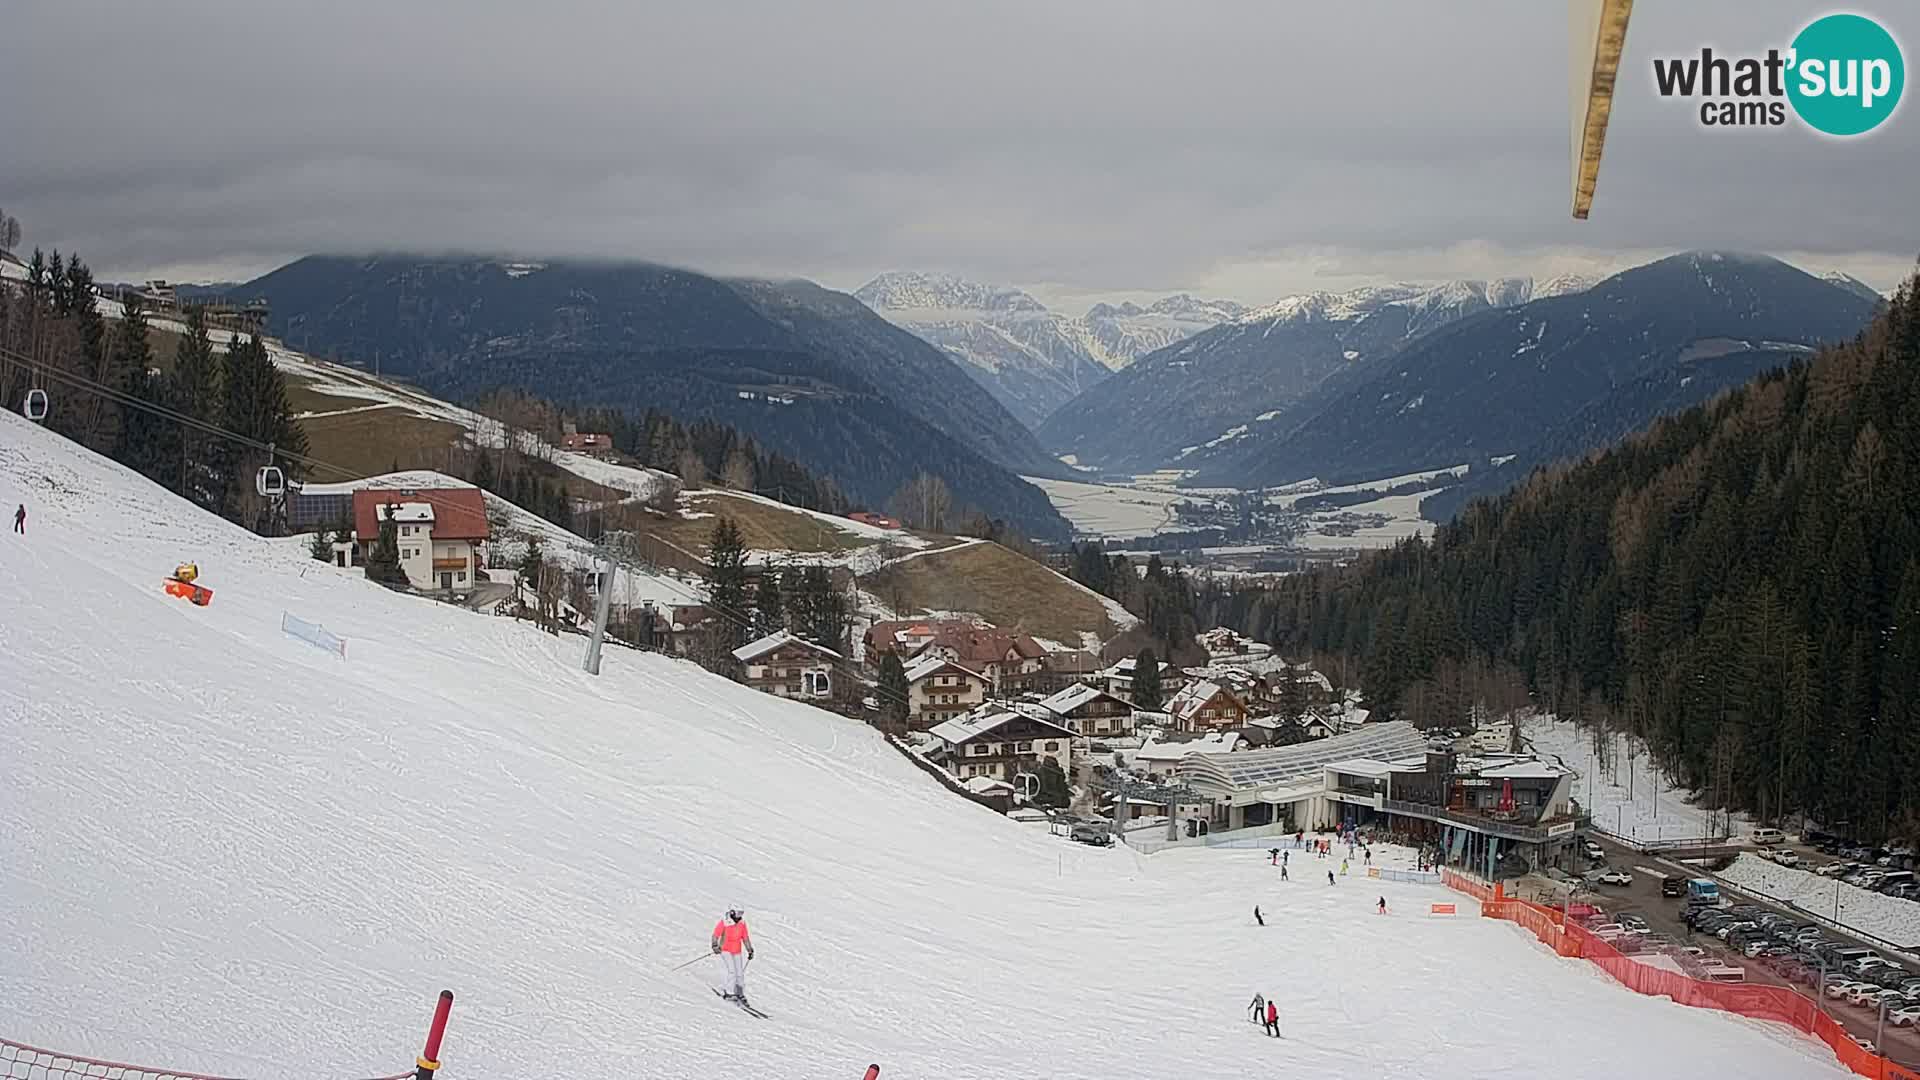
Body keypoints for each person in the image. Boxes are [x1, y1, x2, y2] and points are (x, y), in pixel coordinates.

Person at [710, 907, 755, 1004]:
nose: (739, 917)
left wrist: (749, 949)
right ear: (732, 912)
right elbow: (715, 935)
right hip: (725, 950)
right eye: (738, 914)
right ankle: (729, 992)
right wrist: (715, 945)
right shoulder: (725, 922)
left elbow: (745, 937)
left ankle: (740, 993)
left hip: (736, 950)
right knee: (732, 971)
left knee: (739, 973)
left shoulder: (742, 923)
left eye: (741, 914)